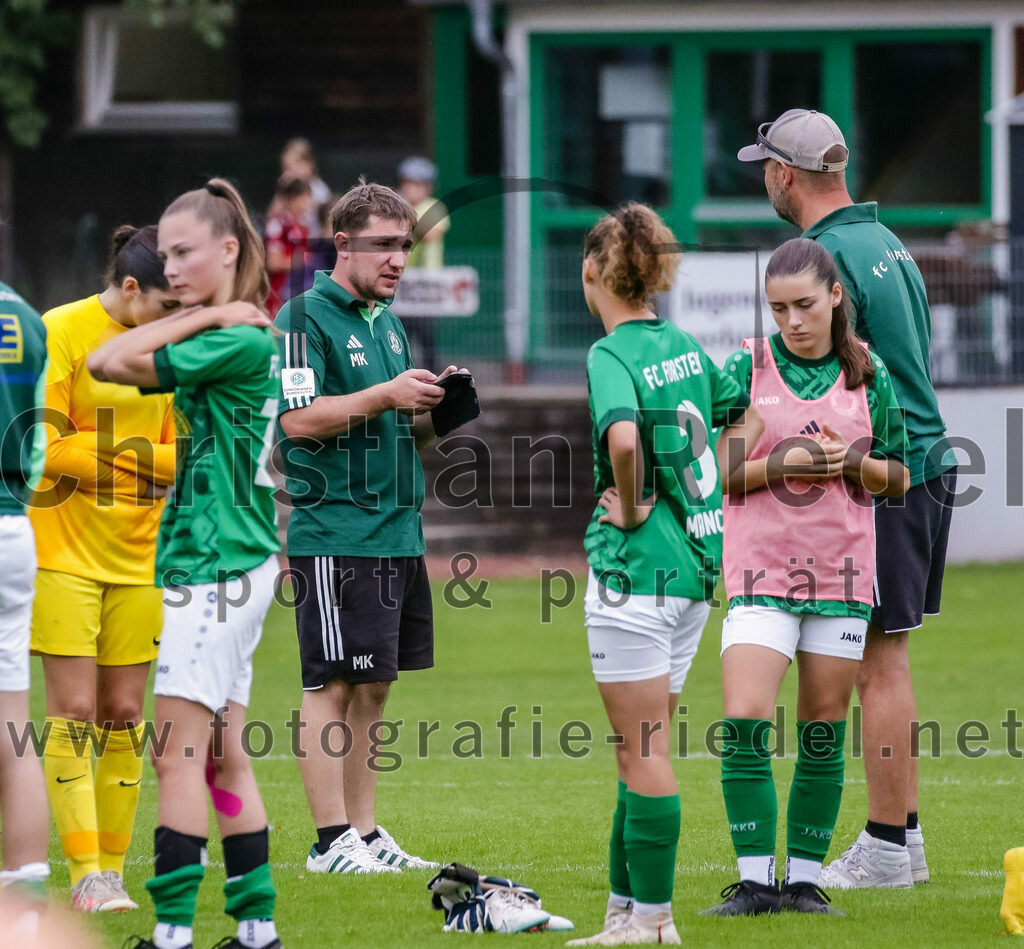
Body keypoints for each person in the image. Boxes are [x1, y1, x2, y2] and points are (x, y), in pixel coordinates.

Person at [737, 108, 957, 888]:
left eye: (763, 166)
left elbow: (841, 380)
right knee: (880, 655)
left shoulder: (826, 252)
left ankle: (889, 846)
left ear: (785, 174)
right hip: (921, 463)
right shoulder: (884, 239)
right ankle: (907, 838)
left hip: (886, 471)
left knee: (877, 660)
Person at [88, 178, 283, 949]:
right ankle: (257, 927)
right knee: (223, 761)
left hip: (216, 566)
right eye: (164, 253)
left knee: (176, 754)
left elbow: (111, 355)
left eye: (183, 251)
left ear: (227, 250)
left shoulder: (232, 337)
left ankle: (171, 935)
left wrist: (204, 312)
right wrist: (208, 309)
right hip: (237, 562)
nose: (169, 267)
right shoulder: (234, 331)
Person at [565, 204, 758, 947]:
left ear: (592, 271)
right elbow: (747, 414)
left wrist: (640, 499)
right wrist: (706, 490)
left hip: (635, 574)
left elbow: (621, 434)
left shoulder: (609, 352)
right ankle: (623, 914)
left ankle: (654, 921)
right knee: (638, 749)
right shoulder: (678, 340)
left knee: (643, 754)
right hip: (692, 579)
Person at [700, 237, 909, 918]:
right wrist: (784, 460)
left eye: (804, 305)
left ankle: (805, 882)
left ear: (836, 297)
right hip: (760, 572)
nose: (791, 320)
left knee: (822, 726)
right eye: (778, 307)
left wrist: (849, 463)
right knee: (746, 718)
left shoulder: (868, 374)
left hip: (841, 576)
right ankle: (757, 881)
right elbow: (722, 473)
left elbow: (898, 474)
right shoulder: (748, 367)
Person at [275, 180, 466, 877]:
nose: (397, 260)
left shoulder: (385, 321)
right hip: (336, 532)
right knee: (330, 682)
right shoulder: (302, 317)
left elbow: (399, 431)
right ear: (344, 242)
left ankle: (364, 829)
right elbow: (298, 420)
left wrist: (438, 412)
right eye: (384, 245)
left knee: (375, 686)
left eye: (405, 247)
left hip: (396, 531)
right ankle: (329, 842)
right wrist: (388, 393)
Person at [29, 225, 178, 912]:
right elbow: (41, 449)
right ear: (128, 289)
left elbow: (189, 456)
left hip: (142, 555)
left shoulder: (173, 346)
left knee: (123, 714)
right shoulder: (61, 330)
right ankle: (84, 871)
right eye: (163, 305)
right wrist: (134, 462)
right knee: (74, 709)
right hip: (61, 553)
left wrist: (103, 452)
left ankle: (112, 872)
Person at [0, 276, 51, 934]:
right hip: (14, 526)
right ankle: (28, 886)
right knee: (13, 718)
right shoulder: (24, 315)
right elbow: (38, 439)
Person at [265, 176, 314, 314]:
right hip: (279, 292)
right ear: (292, 199)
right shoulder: (278, 225)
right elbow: (273, 262)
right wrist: (297, 261)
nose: (308, 202)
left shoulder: (303, 225)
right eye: (304, 198)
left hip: (299, 288)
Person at [280, 138, 332, 235]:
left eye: (289, 168)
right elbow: (273, 218)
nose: (286, 174)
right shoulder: (288, 191)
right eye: (284, 168)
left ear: (307, 165)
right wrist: (281, 193)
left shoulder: (319, 190)